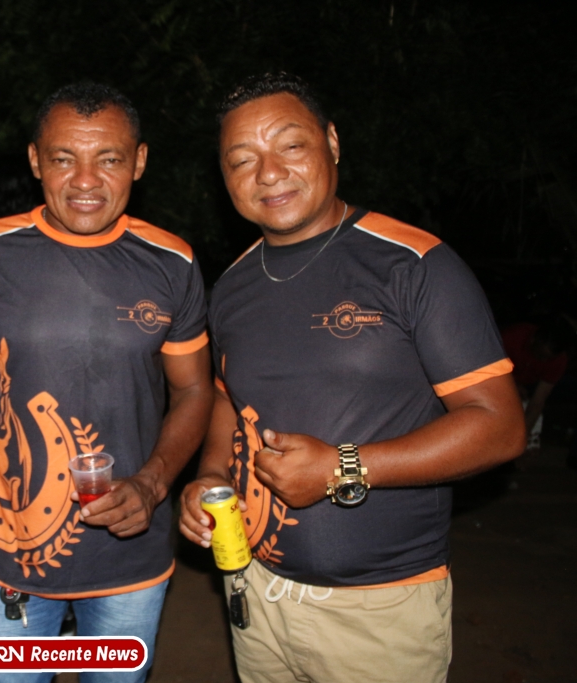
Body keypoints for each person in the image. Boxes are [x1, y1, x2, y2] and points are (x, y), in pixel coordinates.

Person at [179, 72, 526, 683]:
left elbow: (500, 427)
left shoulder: (414, 264)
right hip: (255, 592)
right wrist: (210, 476)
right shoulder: (230, 286)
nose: (269, 172)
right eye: (242, 159)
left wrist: (342, 467)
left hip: (379, 609)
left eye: (290, 145)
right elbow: (231, 401)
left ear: (332, 143)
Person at [0, 82, 213, 682]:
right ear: (35, 161)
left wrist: (152, 483)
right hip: (12, 562)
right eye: (63, 158)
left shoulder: (173, 262)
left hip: (131, 562)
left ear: (139, 161)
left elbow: (194, 391)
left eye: (108, 159)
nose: (86, 181)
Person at [501, 317, 573, 451]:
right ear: (534, 340)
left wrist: (521, 440)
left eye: (548, 359)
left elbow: (538, 401)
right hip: (500, 378)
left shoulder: (558, 361)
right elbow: (486, 370)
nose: (543, 361)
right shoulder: (513, 337)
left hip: (529, 386)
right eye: (540, 355)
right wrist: (513, 385)